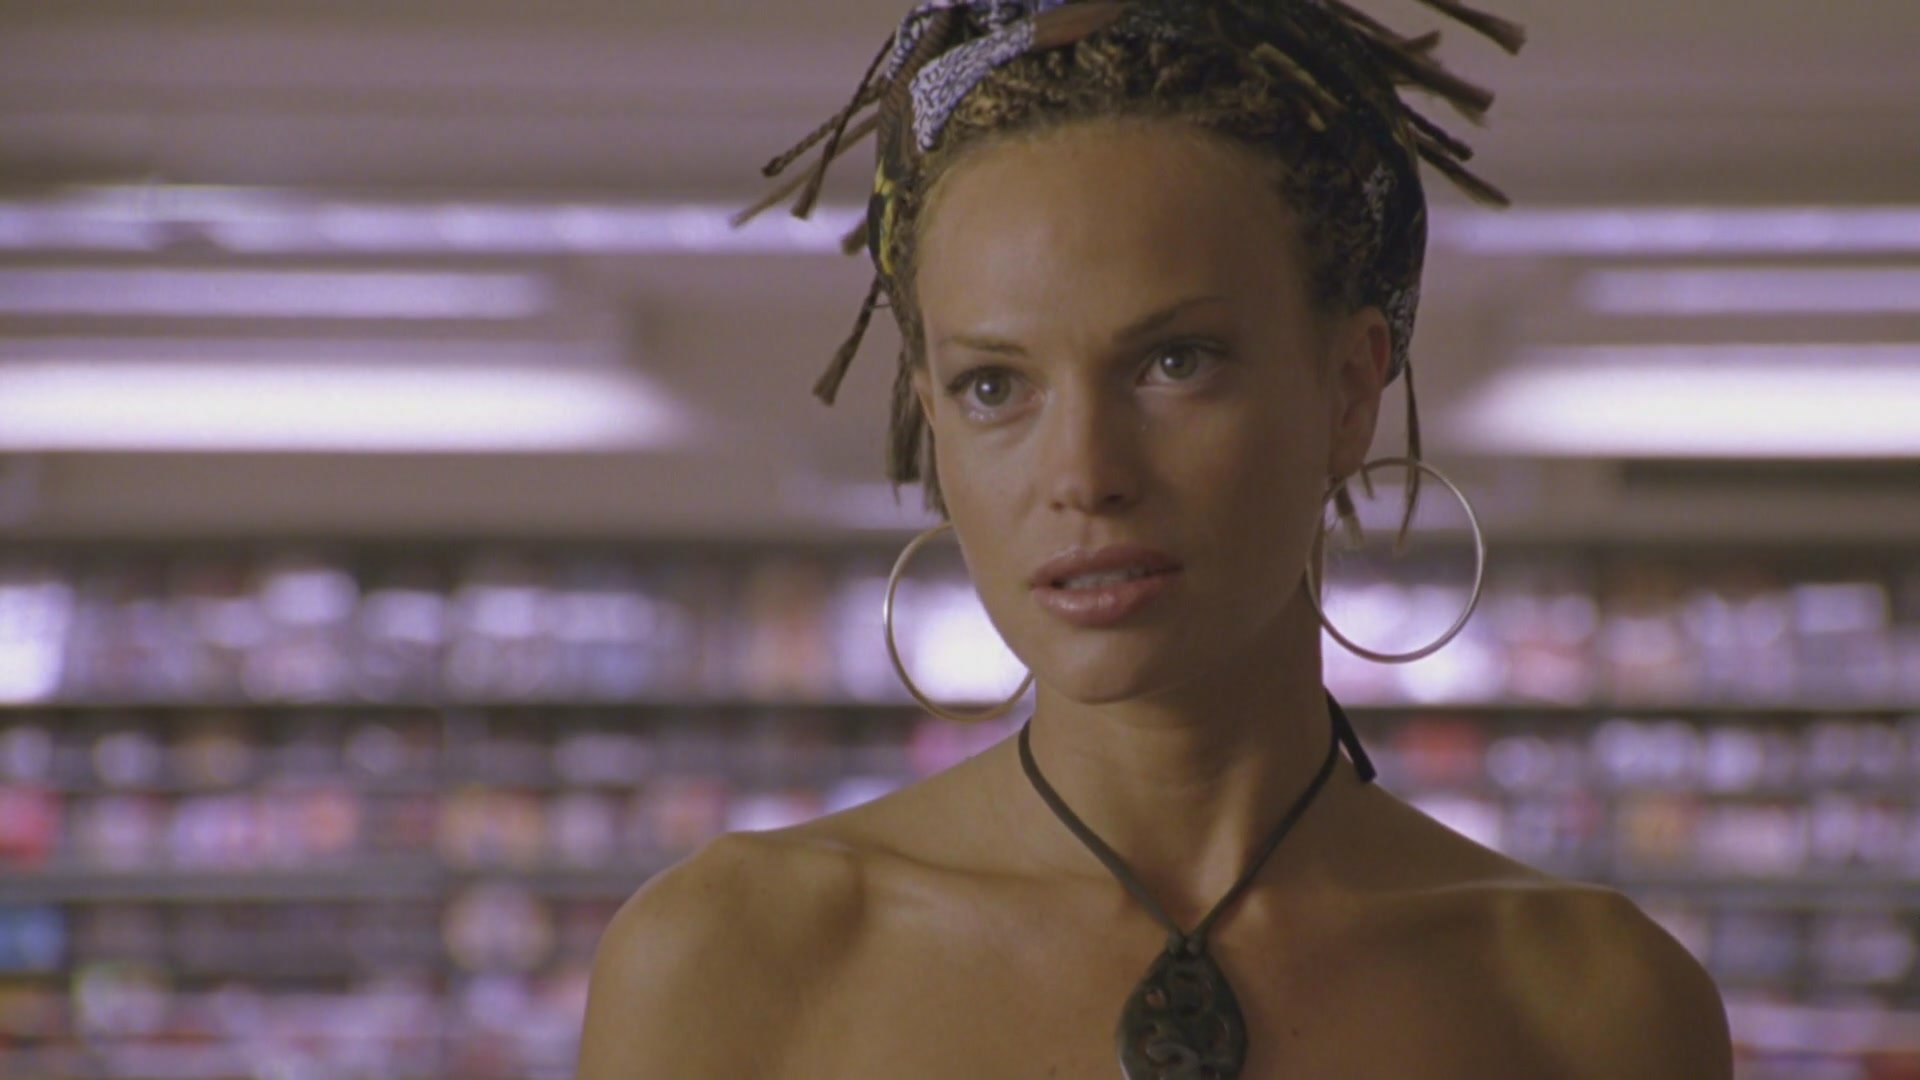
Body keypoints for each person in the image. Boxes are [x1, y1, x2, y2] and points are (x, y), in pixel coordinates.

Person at [578, 1, 1734, 1076]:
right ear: (933, 420)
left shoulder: (1593, 1003)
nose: (1085, 476)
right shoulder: (729, 960)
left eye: (1176, 362)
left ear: (1348, 390)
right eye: (995, 387)